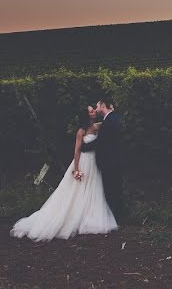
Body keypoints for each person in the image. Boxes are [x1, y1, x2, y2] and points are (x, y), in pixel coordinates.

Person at [11, 106, 118, 241]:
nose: (94, 112)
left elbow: (107, 122)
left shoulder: (96, 127)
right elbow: (77, 151)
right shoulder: (81, 131)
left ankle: (89, 215)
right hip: (84, 162)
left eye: (93, 110)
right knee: (77, 190)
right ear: (86, 115)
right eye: (91, 111)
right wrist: (76, 168)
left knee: (93, 188)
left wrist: (111, 111)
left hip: (94, 163)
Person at [80, 96, 125, 222]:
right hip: (112, 161)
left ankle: (115, 217)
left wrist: (84, 147)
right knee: (114, 190)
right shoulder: (110, 119)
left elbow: (101, 142)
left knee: (112, 190)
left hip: (111, 162)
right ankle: (116, 217)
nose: (96, 108)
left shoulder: (110, 120)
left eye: (97, 106)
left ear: (103, 106)